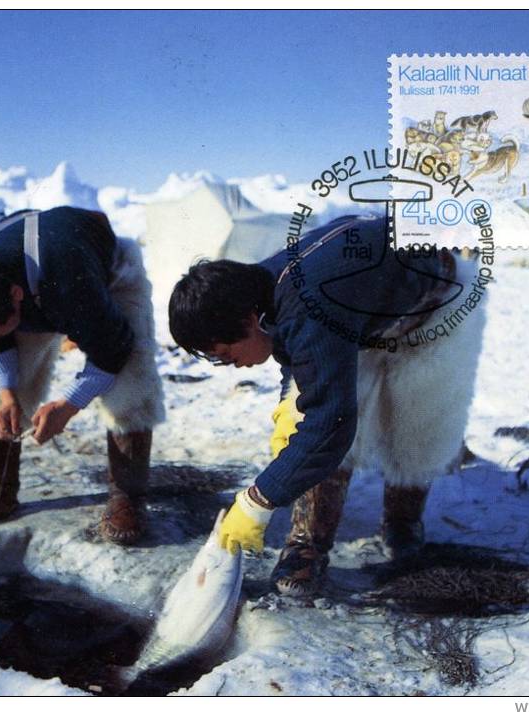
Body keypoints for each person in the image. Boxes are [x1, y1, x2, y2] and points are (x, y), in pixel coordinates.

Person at [168, 214, 486, 596]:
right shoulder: (259, 289)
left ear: (249, 320)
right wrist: (292, 410)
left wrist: (257, 502)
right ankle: (307, 545)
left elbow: (330, 424)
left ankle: (403, 521)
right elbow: (296, 348)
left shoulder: (307, 303)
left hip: (437, 307)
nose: (228, 365)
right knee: (304, 422)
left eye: (223, 355)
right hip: (364, 310)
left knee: (416, 425)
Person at [0, 207, 165, 543]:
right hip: (40, 281)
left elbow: (113, 348)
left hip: (98, 270)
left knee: (130, 380)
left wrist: (68, 405)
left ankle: (127, 496)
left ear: (16, 297)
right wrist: (7, 395)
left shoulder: (70, 278)